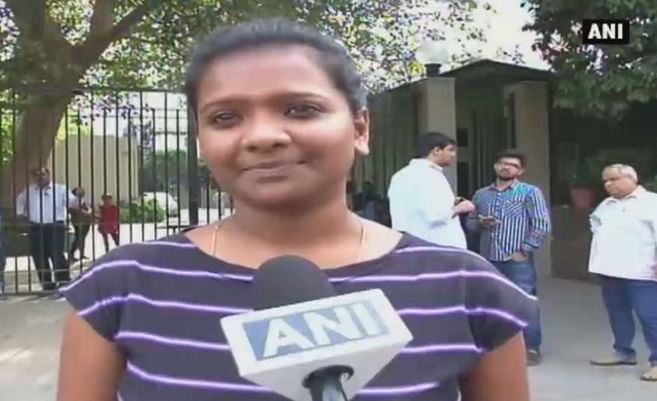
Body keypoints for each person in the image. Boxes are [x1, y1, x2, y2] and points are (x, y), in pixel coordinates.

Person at [57, 18, 536, 401]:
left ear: (360, 129)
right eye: (225, 117)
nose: (262, 136)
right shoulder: (121, 286)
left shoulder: (468, 288)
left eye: (300, 109)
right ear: (202, 142)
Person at [466, 150, 551, 366]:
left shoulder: (529, 192)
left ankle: (531, 347)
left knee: (525, 302)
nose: (506, 167)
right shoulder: (482, 194)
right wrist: (481, 223)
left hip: (517, 260)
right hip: (488, 258)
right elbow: (470, 224)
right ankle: (496, 346)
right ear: (495, 166)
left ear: (520, 171)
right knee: (491, 303)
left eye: (512, 165)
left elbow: (541, 224)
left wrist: (524, 249)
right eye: (502, 163)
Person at [588, 164, 657, 382]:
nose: (608, 184)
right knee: (617, 313)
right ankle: (623, 351)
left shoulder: (653, 202)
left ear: (631, 178)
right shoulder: (607, 204)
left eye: (613, 179)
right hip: (610, 269)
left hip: (640, 270)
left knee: (649, 316)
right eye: (605, 181)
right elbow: (595, 222)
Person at [387, 133, 475, 248]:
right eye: (450, 150)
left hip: (410, 244)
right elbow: (434, 215)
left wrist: (450, 201)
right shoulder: (429, 175)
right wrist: (460, 208)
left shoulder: (400, 175)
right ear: (436, 150)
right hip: (436, 246)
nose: (454, 155)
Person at [16, 167, 76, 291]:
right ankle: (47, 284)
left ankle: (63, 281)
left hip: (55, 226)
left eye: (42, 174)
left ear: (48, 175)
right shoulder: (29, 191)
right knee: (39, 256)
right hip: (35, 227)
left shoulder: (60, 189)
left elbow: (72, 202)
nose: (40, 177)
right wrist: (20, 214)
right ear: (34, 178)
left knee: (57, 254)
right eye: (36, 175)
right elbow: (20, 201)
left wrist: (79, 198)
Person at [68, 187, 93, 262]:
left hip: (85, 221)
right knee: (79, 238)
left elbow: (86, 208)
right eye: (79, 191)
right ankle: (71, 254)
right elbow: (73, 210)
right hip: (78, 221)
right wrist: (86, 212)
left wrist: (89, 211)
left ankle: (81, 254)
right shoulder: (74, 200)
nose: (82, 192)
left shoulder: (81, 200)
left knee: (82, 238)